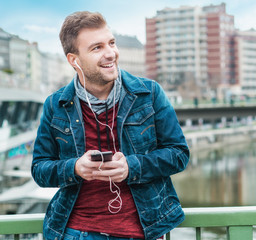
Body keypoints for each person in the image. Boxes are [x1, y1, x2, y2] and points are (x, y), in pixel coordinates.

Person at [31, 11, 190, 240]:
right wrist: (75, 168)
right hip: (76, 233)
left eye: (111, 43)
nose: (110, 54)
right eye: (97, 48)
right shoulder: (55, 105)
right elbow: (39, 169)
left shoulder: (150, 93)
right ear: (74, 60)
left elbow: (179, 154)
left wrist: (131, 167)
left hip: (141, 232)